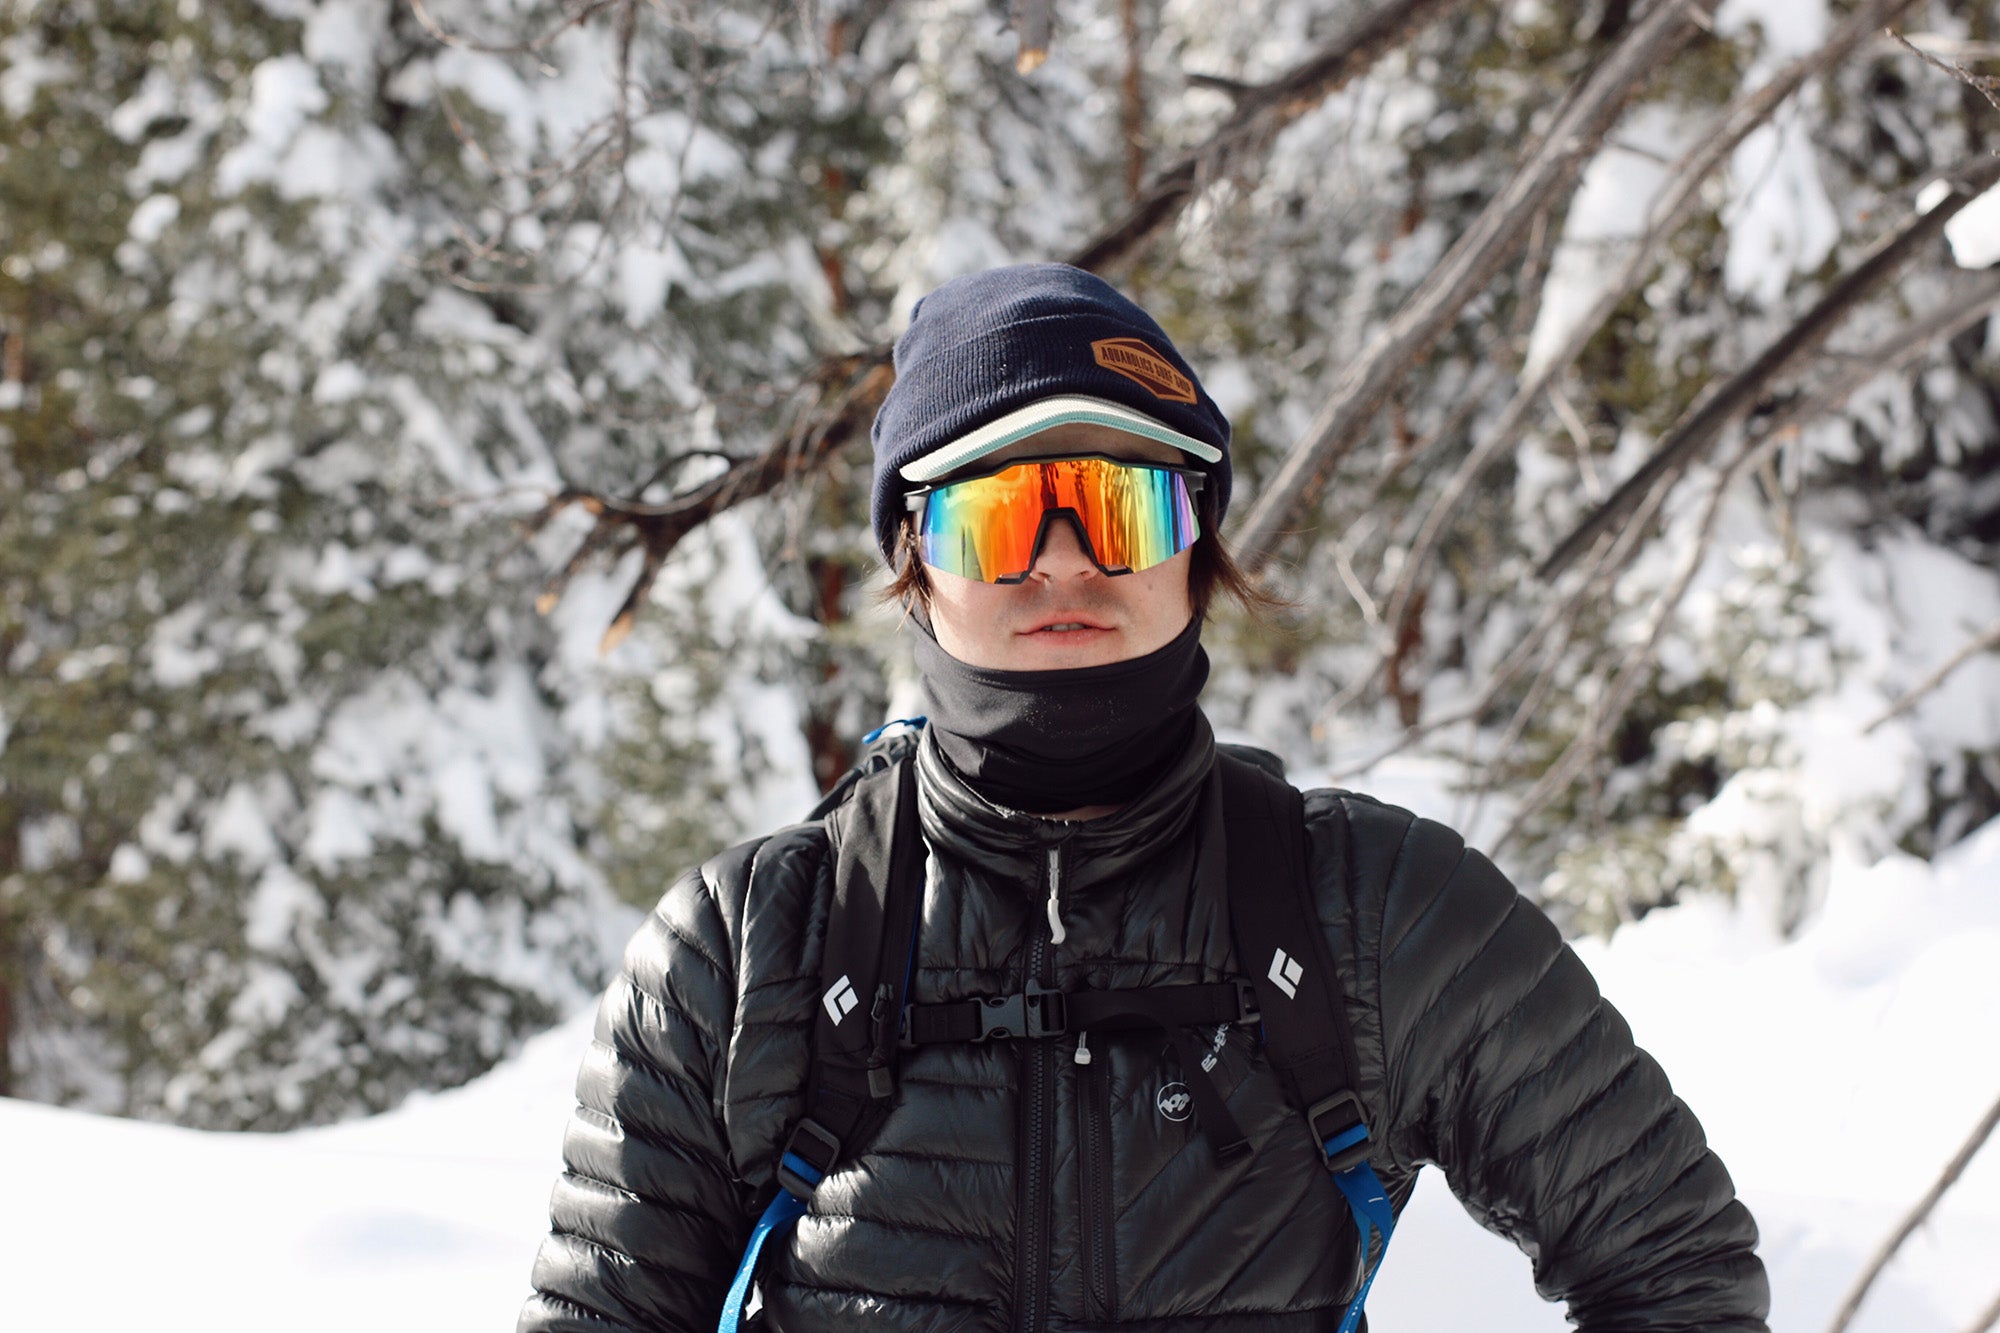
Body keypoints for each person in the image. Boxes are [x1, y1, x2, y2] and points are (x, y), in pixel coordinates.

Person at [519, 263, 1771, 1333]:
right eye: (1000, 514)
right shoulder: (746, 946)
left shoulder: (1377, 909)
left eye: (1118, 503)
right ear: (914, 560)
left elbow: (1676, 1266)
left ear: (1194, 544)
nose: (1064, 558)